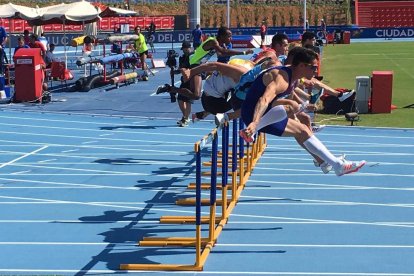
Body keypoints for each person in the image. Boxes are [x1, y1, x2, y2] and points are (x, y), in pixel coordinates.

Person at [239, 47, 366, 176]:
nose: (316, 70)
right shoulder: (282, 79)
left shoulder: (295, 74)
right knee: (292, 108)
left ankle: (327, 163)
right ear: (301, 66)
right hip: (254, 113)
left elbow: (314, 82)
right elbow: (264, 99)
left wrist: (336, 94)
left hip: (268, 111)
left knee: (303, 130)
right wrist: (255, 123)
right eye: (313, 67)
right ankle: (253, 130)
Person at [156, 26, 254, 102]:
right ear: (222, 36)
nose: (231, 39)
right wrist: (244, 52)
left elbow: (220, 53)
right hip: (195, 65)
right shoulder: (213, 41)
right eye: (229, 36)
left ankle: (226, 90)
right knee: (196, 95)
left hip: (200, 65)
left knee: (218, 70)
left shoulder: (217, 43)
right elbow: (223, 52)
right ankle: (169, 88)